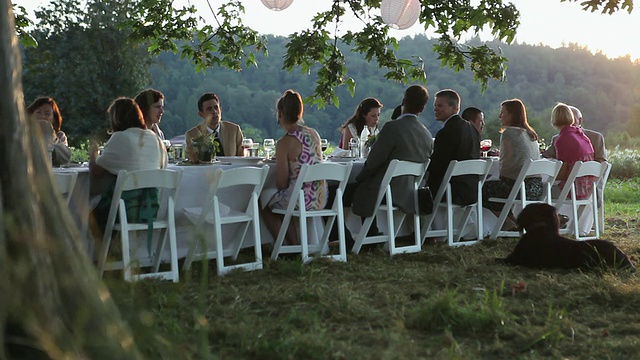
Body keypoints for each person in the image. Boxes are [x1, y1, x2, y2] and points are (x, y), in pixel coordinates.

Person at [348, 85, 433, 219]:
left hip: (387, 191)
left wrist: (359, 178)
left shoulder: (392, 128)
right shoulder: (427, 135)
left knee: (340, 192)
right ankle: (370, 233)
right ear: (422, 108)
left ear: (403, 102)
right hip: (411, 193)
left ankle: (353, 235)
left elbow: (373, 162)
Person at [90, 97, 167, 232]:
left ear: (116, 118)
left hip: (125, 210)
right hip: (150, 209)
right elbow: (162, 167)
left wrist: (93, 154)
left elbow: (97, 171)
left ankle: (103, 251)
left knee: (89, 213)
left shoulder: (120, 137)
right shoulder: (155, 138)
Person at [262, 90, 327, 245]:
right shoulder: (314, 134)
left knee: (264, 199)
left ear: (280, 114)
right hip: (319, 197)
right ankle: (294, 243)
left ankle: (289, 244)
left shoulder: (284, 143)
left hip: (300, 200)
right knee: (285, 198)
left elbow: (282, 183)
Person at [482, 99, 542, 215]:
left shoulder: (509, 133)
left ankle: (507, 224)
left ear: (511, 115)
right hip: (536, 188)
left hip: (520, 189)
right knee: (498, 190)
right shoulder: (531, 134)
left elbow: (505, 168)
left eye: (503, 113)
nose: (500, 116)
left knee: (479, 190)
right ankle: (511, 223)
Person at [427, 89, 479, 205]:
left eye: (440, 105)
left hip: (450, 191)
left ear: (454, 108)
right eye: (435, 105)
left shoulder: (446, 132)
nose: (436, 109)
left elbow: (438, 165)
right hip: (471, 191)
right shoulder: (472, 129)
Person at [549, 102, 595, 200]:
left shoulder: (562, 139)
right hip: (588, 188)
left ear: (554, 119)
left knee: (544, 190)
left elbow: (562, 170)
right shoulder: (582, 136)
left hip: (574, 190)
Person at [185, 93, 244, 161]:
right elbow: (192, 161)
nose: (214, 111)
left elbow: (241, 159)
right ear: (201, 114)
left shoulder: (234, 130)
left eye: (216, 107)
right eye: (209, 109)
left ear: (220, 109)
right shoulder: (192, 135)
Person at [27, 96, 71, 166]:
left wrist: (53, 139)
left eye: (47, 114)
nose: (42, 116)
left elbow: (65, 159)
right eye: (38, 112)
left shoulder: (59, 136)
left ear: (54, 119)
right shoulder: (21, 134)